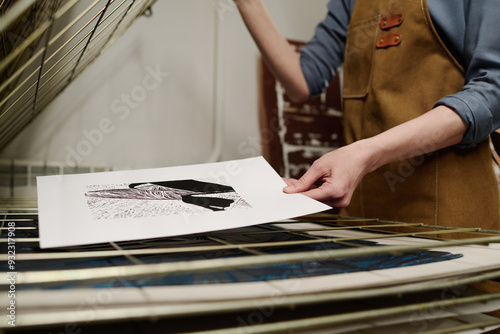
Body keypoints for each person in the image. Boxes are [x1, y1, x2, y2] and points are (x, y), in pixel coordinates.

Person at [235, 0, 500, 229]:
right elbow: (303, 82)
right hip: (362, 219)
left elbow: (492, 91)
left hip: (449, 218)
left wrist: (363, 155)